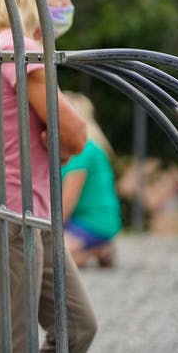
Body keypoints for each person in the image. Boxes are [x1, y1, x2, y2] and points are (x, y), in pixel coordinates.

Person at [0, 0, 95, 352]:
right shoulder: (17, 50)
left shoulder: (5, 47)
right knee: (12, 341)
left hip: (32, 209)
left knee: (77, 325)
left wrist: (61, 144)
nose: (66, 4)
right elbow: (73, 134)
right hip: (10, 209)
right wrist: (63, 147)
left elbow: (64, 134)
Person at [60, 92, 121, 269]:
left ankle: (95, 250)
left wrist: (48, 229)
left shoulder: (81, 150)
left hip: (93, 221)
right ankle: (96, 250)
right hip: (80, 220)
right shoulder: (91, 146)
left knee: (50, 256)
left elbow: (67, 200)